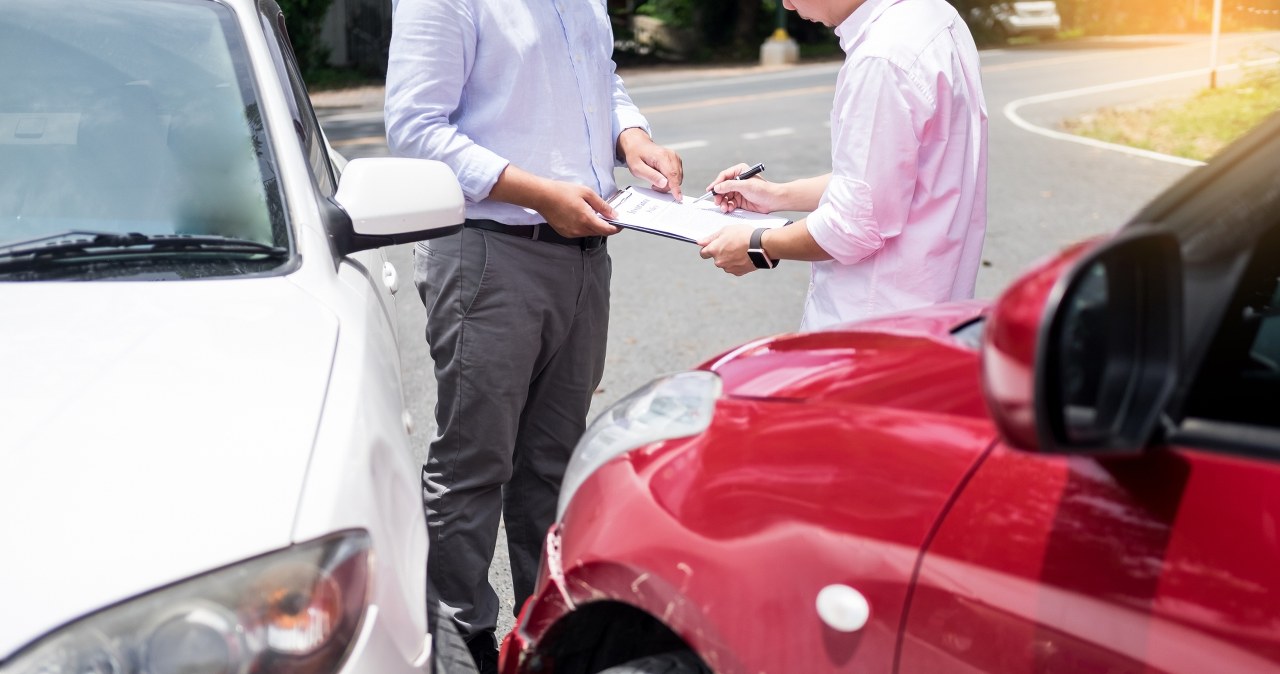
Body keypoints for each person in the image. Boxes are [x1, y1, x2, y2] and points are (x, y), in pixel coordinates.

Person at [384, 2, 684, 672]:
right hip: (490, 251)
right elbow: (416, 128)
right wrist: (537, 192)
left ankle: (544, 633)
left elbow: (598, 80)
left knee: (553, 462)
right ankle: (462, 642)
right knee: (475, 462)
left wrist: (631, 138)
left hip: (581, 254)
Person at [699, 0, 987, 331]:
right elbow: (887, 178)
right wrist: (777, 195)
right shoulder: (936, 15)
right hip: (933, 309)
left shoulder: (881, 57)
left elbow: (852, 227)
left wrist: (757, 245)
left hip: (876, 324)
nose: (787, 4)